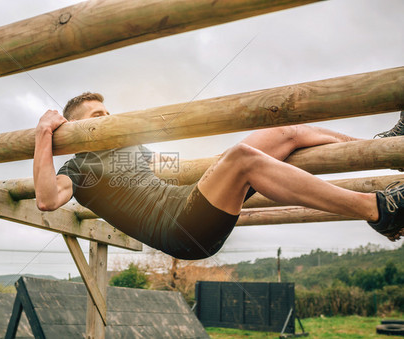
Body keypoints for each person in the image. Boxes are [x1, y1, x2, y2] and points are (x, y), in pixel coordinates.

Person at [33, 92, 404, 260]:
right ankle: (378, 210)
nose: (108, 119)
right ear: (74, 129)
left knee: (285, 132)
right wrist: (44, 135)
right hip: (179, 230)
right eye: (96, 117)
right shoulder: (78, 168)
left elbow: (178, 167)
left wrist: (218, 166)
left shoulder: (132, 151)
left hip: (193, 203)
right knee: (243, 158)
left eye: (108, 112)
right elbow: (48, 199)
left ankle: (387, 149)